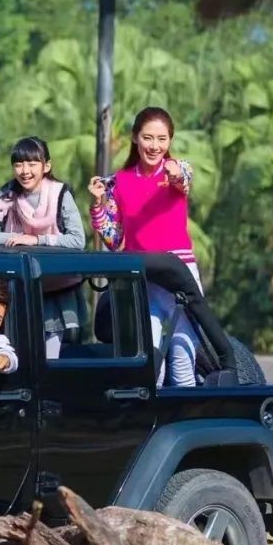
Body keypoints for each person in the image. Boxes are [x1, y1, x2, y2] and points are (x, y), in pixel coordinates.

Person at [87, 107, 199, 387]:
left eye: (162, 139)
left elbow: (183, 179)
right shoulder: (118, 181)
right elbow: (113, 240)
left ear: (170, 140)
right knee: (151, 368)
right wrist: (98, 205)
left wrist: (174, 173)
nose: (155, 146)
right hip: (143, 279)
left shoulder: (178, 169)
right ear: (136, 138)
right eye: (148, 138)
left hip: (179, 276)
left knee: (183, 364)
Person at [0, 137, 85, 357]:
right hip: (17, 290)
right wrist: (18, 236)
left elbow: (77, 240)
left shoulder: (60, 194)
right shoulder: (7, 194)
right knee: (14, 356)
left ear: (46, 166)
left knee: (49, 359)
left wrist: (36, 241)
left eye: (32, 164)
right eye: (18, 164)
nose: (24, 171)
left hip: (56, 289)